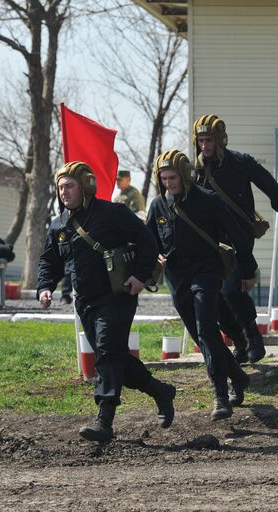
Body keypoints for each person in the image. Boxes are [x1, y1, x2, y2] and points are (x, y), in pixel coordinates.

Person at [38, 161, 175, 442]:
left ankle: (104, 420)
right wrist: (44, 287)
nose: (64, 192)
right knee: (114, 357)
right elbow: (48, 261)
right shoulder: (58, 225)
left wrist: (140, 275)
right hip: (85, 302)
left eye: (70, 186)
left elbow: (146, 239)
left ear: (86, 185)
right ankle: (160, 391)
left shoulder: (112, 214)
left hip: (117, 296)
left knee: (107, 354)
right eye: (60, 187)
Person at [146, 150, 256, 420]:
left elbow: (238, 235)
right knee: (199, 334)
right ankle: (238, 376)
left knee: (207, 329)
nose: (168, 183)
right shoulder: (158, 205)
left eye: (173, 178)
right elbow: (149, 239)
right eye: (163, 179)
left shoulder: (209, 200)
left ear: (184, 175)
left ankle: (220, 395)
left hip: (206, 271)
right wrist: (152, 257)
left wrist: (248, 268)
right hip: (176, 277)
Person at [193, 114, 278, 365]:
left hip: (238, 237)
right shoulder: (194, 170)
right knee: (213, 298)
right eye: (200, 141)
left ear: (220, 140)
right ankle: (238, 341)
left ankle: (253, 336)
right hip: (209, 241)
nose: (205, 146)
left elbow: (268, 183)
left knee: (231, 291)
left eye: (209, 140)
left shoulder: (240, 162)